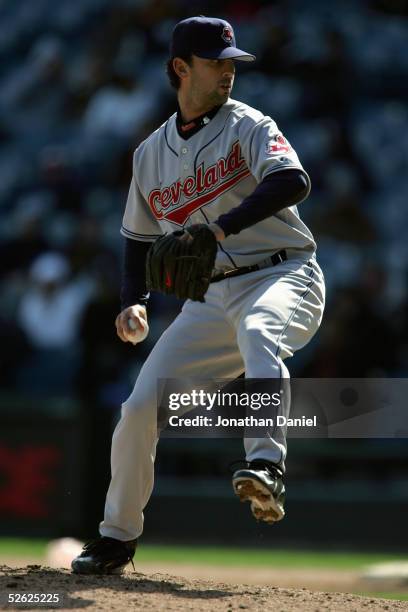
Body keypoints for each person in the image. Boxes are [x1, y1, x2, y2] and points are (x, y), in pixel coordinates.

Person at [72, 16, 325, 575]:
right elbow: (137, 239)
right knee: (139, 407)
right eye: (217, 61)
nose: (229, 70)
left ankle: (265, 466)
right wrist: (130, 299)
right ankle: (116, 538)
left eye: (233, 61)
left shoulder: (249, 125)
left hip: (283, 274)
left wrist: (218, 228)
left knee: (261, 333)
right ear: (180, 69)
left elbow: (293, 181)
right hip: (210, 299)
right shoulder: (149, 155)